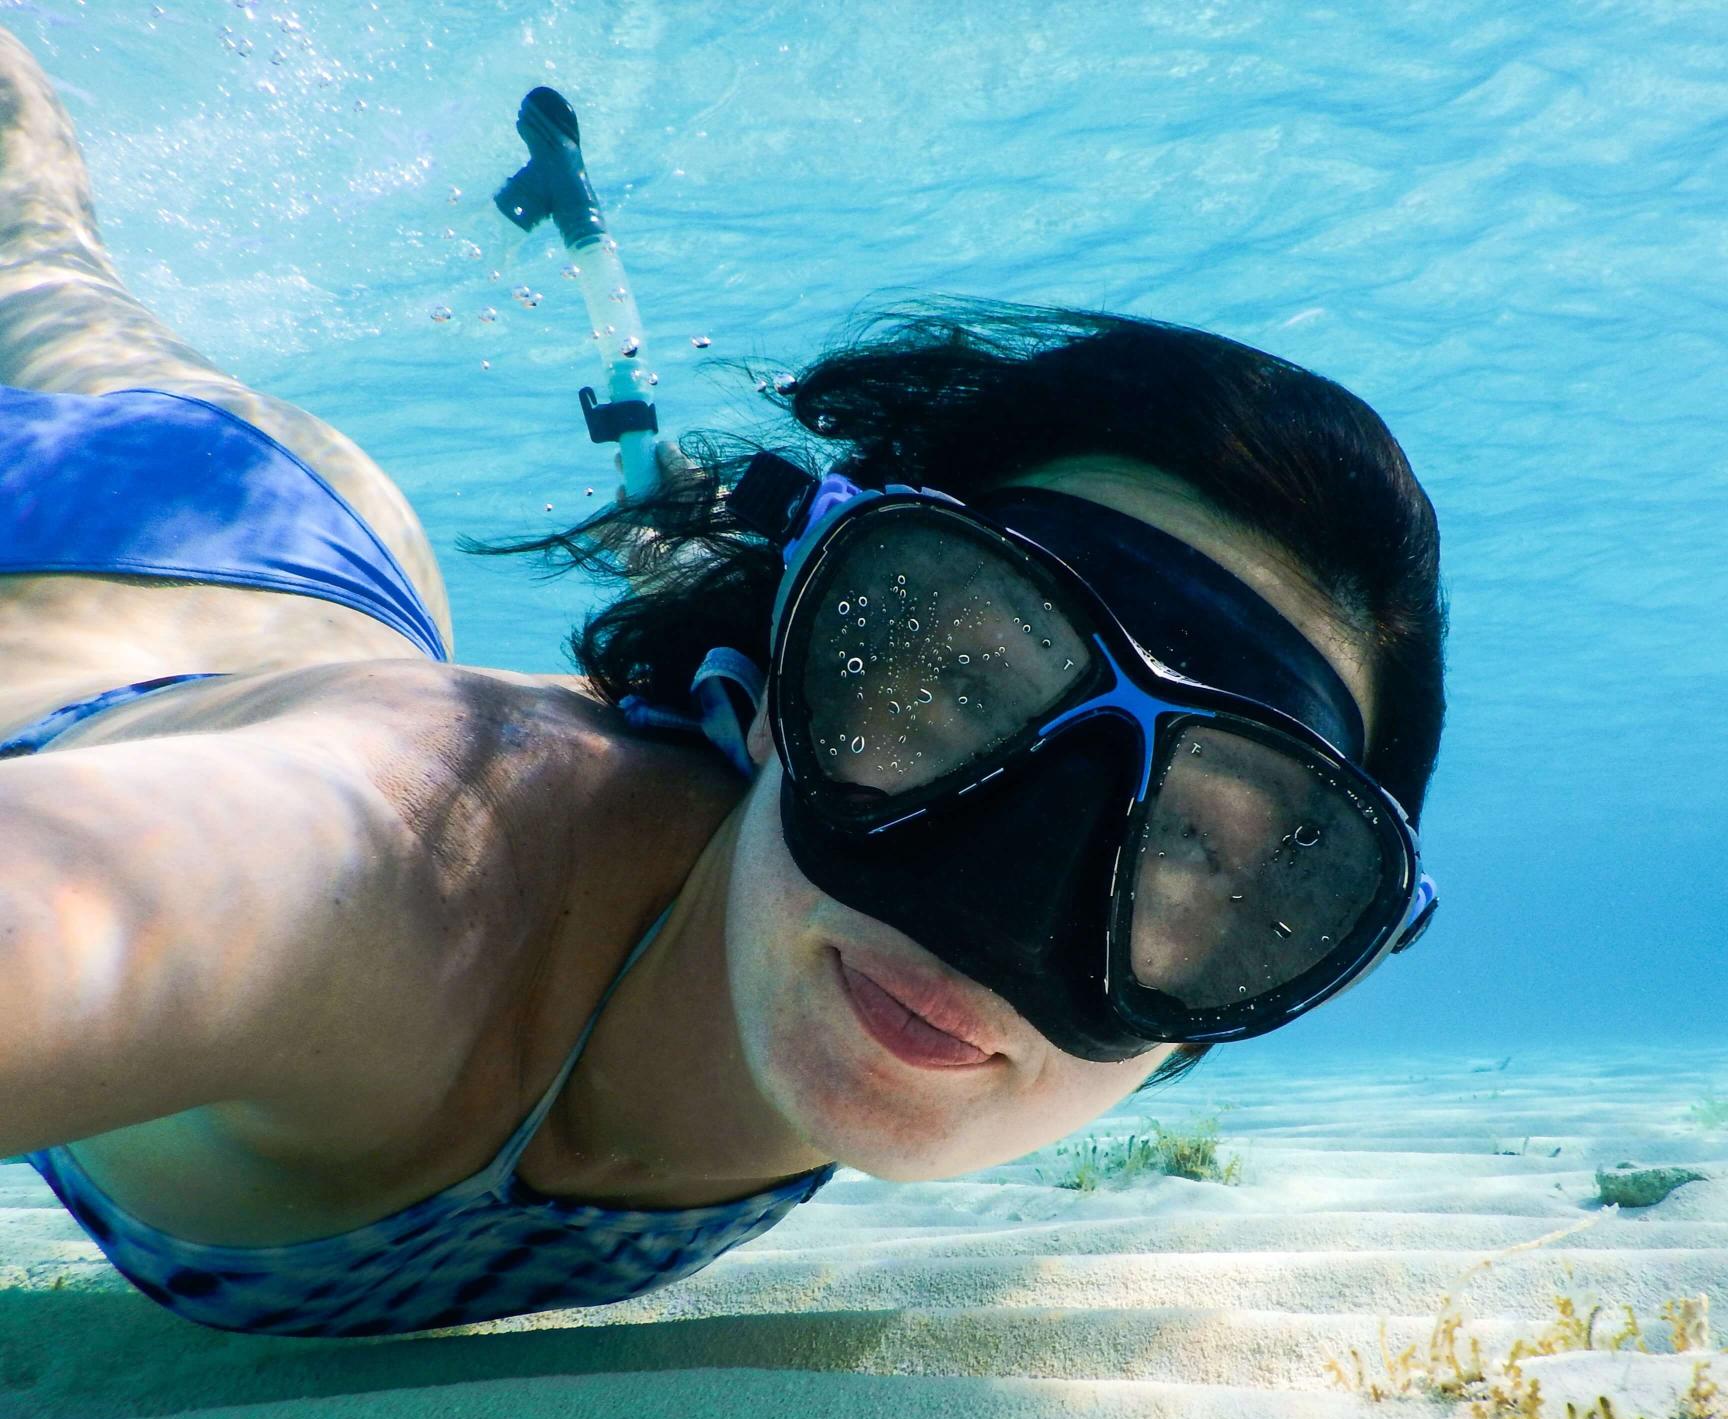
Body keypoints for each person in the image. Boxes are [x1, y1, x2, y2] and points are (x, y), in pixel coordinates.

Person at [0, 29, 1446, 1338]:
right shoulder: (411, 861)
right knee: (25, 225)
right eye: (964, 684)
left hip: (326, 581)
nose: (993, 916)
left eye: (1198, 842)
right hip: (114, 536)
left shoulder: (803, 927)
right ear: (777, 680)